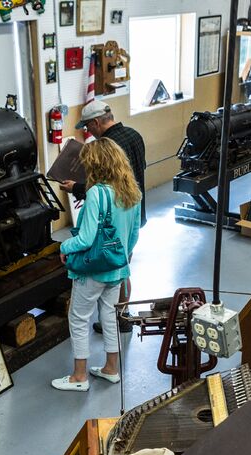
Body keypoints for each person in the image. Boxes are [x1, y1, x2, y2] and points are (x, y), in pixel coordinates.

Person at [51, 138, 142, 392]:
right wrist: (120, 255)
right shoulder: (132, 191)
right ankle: (111, 369)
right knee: (110, 316)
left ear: (96, 164)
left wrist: (64, 247)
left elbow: (86, 238)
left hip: (93, 270)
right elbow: (133, 235)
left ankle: (79, 377)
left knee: (78, 318)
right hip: (117, 269)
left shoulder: (96, 193)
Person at [58, 100, 146, 333]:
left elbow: (106, 186)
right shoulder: (135, 135)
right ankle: (122, 314)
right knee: (124, 264)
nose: (88, 132)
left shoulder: (109, 146)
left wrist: (76, 188)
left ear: (97, 122)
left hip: (113, 219)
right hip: (134, 210)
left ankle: (119, 316)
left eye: (88, 127)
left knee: (117, 267)